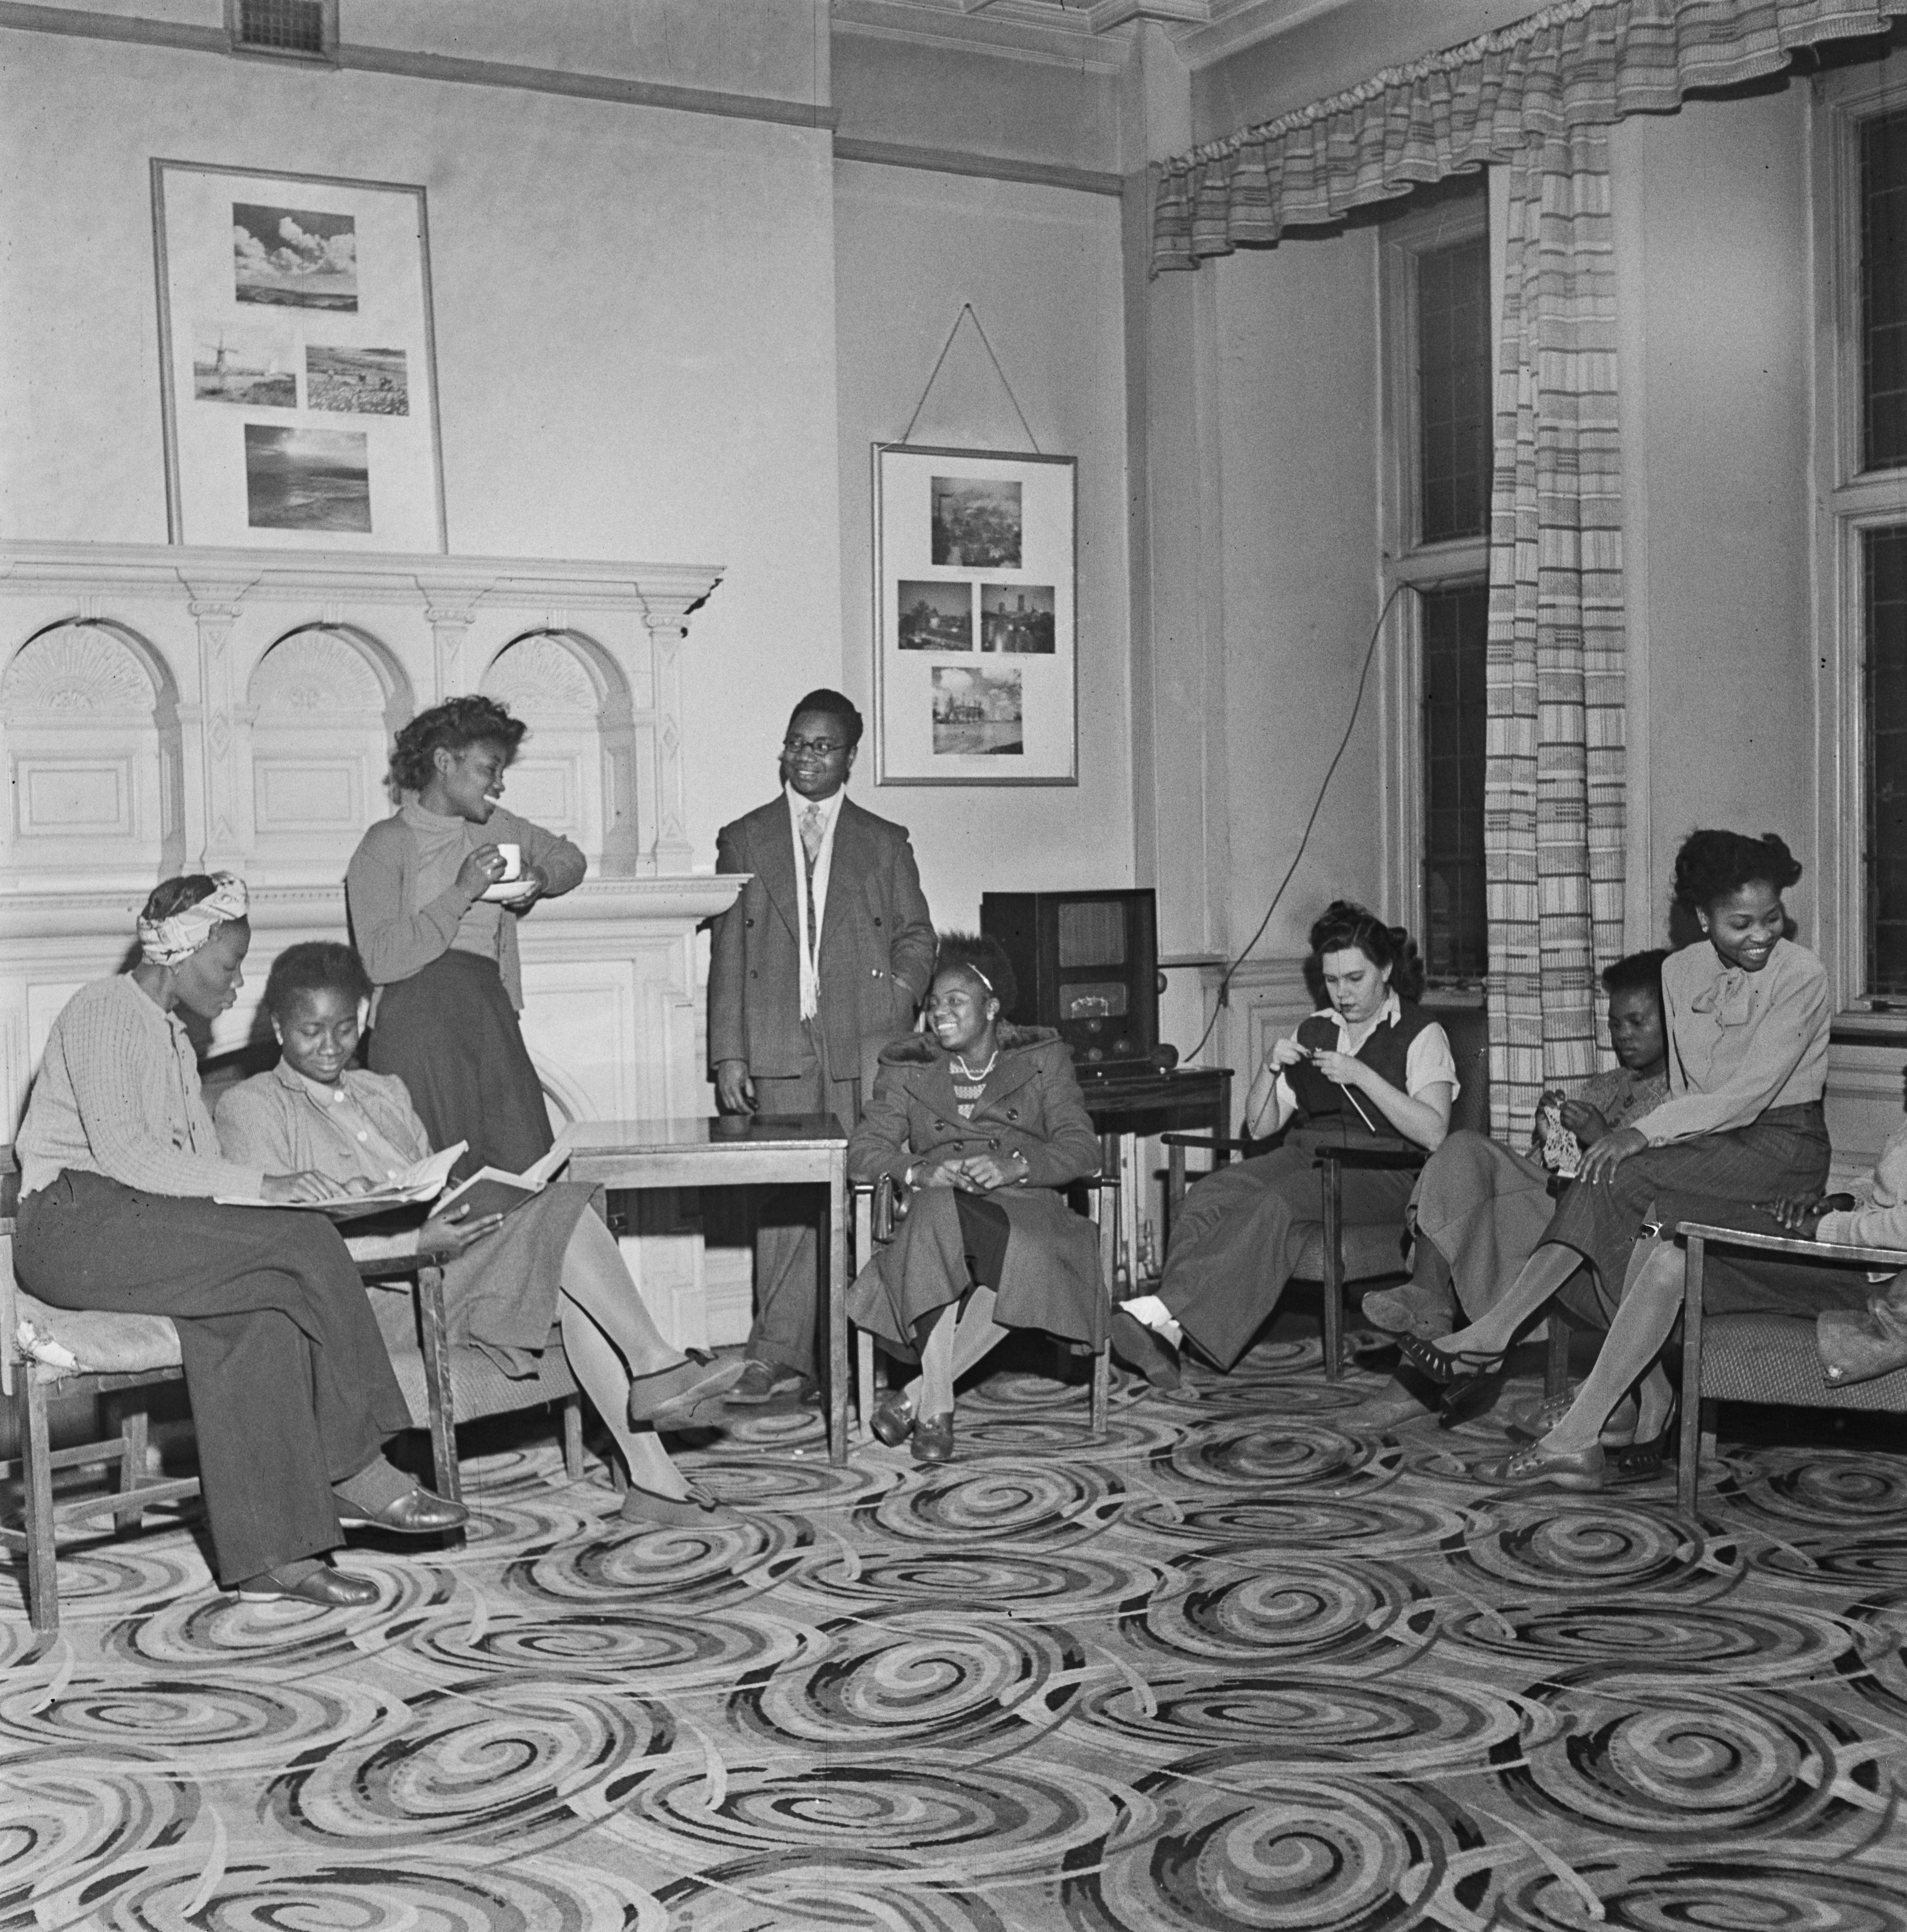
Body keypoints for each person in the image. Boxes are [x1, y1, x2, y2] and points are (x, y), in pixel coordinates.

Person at [11, 875, 467, 1610]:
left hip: (137, 1226)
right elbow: (129, 1156)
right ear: (179, 954)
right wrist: (270, 1187)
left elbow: (198, 1174)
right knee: (301, 1242)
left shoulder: (175, 1042)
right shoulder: (103, 1010)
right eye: (228, 965)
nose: (238, 982)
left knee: (261, 1315)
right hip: (72, 1225)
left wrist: (291, 1188)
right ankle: (359, 1466)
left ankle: (274, 1559)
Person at [215, 943, 745, 1528]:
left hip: (447, 1267)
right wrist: (417, 1240)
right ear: (277, 1026)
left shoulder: (384, 1091)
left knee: (564, 1236)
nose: (330, 1045)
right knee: (560, 1216)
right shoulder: (252, 1107)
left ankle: (656, 1478)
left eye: (344, 1027)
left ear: (364, 1015)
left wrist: (458, 1212)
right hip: (369, 1295)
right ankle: (656, 1366)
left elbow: (427, 1180)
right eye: (310, 1030)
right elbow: (282, 1247)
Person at [1401, 830, 1832, 1485]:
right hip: (1708, 1141)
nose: (1760, 934)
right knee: (1607, 1181)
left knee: (1618, 1168)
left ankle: (1497, 1338)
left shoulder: (1801, 974)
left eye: (1772, 917)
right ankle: (1631, 1396)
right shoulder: (1677, 971)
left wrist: (1641, 1134)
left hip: (1782, 1145)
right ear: (1701, 918)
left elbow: (1748, 1094)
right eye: (1739, 922)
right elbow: (1693, 1091)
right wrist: (1653, 1137)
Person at [1116, 902, 1457, 1384]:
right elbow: (1260, 1128)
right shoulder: (1315, 1028)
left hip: (1385, 1170)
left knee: (1276, 1203)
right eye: (1332, 980)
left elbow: (1435, 1132)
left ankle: (1159, 1312)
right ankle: (1169, 1334)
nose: (1343, 994)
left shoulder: (1423, 1034)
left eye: (1355, 979)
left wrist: (1360, 1075)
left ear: (1385, 969)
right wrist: (1269, 1067)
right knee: (1207, 1195)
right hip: (1307, 1155)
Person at [708, 688, 936, 1405]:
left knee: (865, 1196)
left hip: (860, 1044)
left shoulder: (884, 840)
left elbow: (918, 936)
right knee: (781, 1200)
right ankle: (777, 1354)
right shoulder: (744, 838)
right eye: (797, 743)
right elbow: (724, 953)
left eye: (822, 746)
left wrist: (895, 1000)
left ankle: (858, 1346)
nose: (806, 756)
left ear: (849, 757)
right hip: (776, 1043)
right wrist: (729, 1053)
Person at [846, 933, 1105, 1463]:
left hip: (1025, 1205)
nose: (940, 1014)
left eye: (956, 1002)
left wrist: (1018, 1164)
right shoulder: (907, 1065)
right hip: (940, 1205)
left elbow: (1082, 1147)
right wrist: (922, 1170)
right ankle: (939, 1409)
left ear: (991, 1008)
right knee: (937, 1216)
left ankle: (916, 1398)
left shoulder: (1042, 1057)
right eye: (934, 1004)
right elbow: (864, 1150)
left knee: (1018, 1253)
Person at [1362, 949, 1671, 1346]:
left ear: (1673, 1021)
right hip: (1552, 1206)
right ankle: (1428, 1296)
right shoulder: (1603, 1085)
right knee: (1463, 1149)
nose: (1623, 1034)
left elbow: (1653, 1191)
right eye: (1614, 1023)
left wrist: (1599, 1136)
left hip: (1604, 1226)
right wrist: (1547, 1138)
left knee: (1468, 1194)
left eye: (1637, 1022)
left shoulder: (1680, 1099)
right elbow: (1551, 1169)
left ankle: (1440, 1316)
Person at [346, 694, 585, 1182]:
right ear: (443, 762)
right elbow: (380, 961)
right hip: (418, 1024)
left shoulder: (499, 826)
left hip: (489, 1011)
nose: (499, 784)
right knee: (439, 1184)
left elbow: (571, 858)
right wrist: (462, 893)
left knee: (527, 1174)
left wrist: (539, 876)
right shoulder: (385, 843)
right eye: (488, 769)